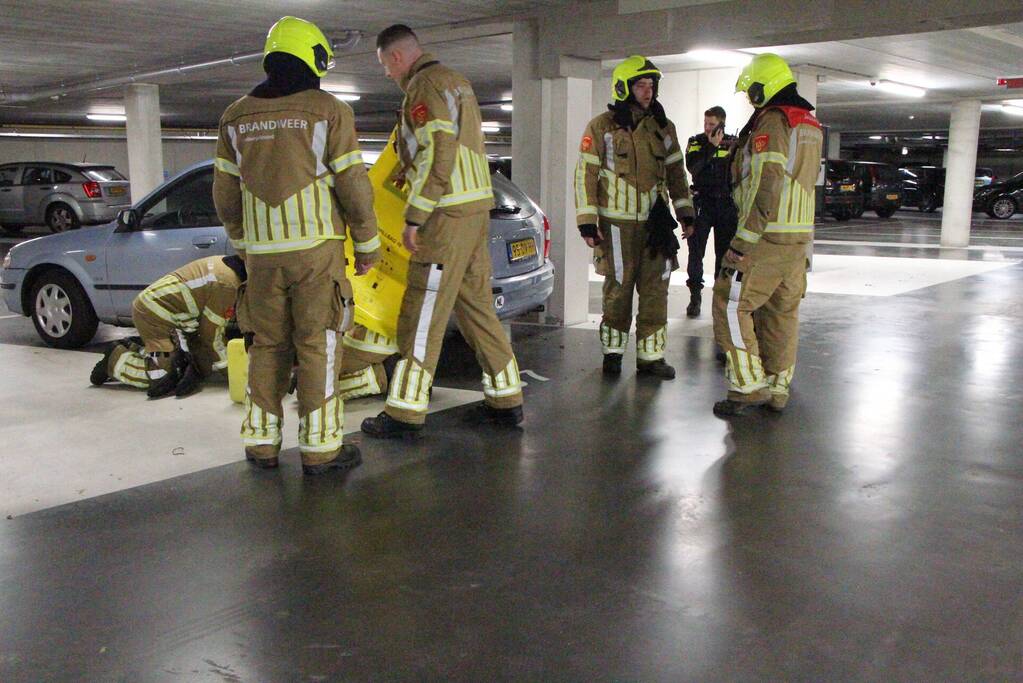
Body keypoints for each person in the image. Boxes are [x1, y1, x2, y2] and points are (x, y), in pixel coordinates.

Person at [212, 16, 381, 474]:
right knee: (318, 343)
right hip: (316, 252)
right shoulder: (329, 110)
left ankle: (262, 443)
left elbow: (225, 194)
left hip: (263, 258)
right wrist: (367, 243)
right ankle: (322, 447)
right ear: (313, 57)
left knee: (265, 345)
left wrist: (244, 245)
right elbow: (353, 184)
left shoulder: (234, 117)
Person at [361, 24, 524, 439]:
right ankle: (506, 399)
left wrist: (415, 215)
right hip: (473, 212)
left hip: (445, 216)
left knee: (422, 310)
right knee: (476, 308)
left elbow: (437, 152)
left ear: (397, 57)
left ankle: (404, 411)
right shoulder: (457, 83)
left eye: (384, 65)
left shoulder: (424, 87)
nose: (385, 74)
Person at [711, 53, 823, 416]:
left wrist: (742, 242)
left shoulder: (774, 121)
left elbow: (766, 182)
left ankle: (747, 386)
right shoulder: (809, 122)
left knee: (728, 302)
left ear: (765, 87)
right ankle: (777, 388)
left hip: (766, 236)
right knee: (781, 313)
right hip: (797, 238)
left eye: (752, 92)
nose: (750, 99)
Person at [574, 55, 695, 379]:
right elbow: (586, 174)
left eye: (651, 85)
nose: (647, 91)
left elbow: (676, 174)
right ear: (625, 88)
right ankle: (613, 354)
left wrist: (686, 213)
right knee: (618, 290)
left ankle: (651, 358)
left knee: (657, 291)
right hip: (615, 225)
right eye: (641, 85)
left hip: (656, 226)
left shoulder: (663, 127)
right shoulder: (601, 127)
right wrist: (587, 221)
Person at [89, 255, 245, 398]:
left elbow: (205, 334)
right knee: (163, 377)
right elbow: (211, 336)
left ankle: (141, 349)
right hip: (154, 315)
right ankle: (115, 360)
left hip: (175, 317)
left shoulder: (230, 268)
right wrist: (234, 374)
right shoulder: (227, 284)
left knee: (190, 366)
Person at [684, 105, 738, 318]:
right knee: (696, 251)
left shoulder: (734, 143)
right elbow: (693, 168)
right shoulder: (696, 142)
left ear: (722, 124)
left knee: (723, 255)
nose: (707, 128)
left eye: (712, 125)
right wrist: (711, 146)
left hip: (725, 205)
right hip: (702, 203)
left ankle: (720, 300)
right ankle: (694, 297)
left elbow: (738, 172)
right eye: (705, 124)